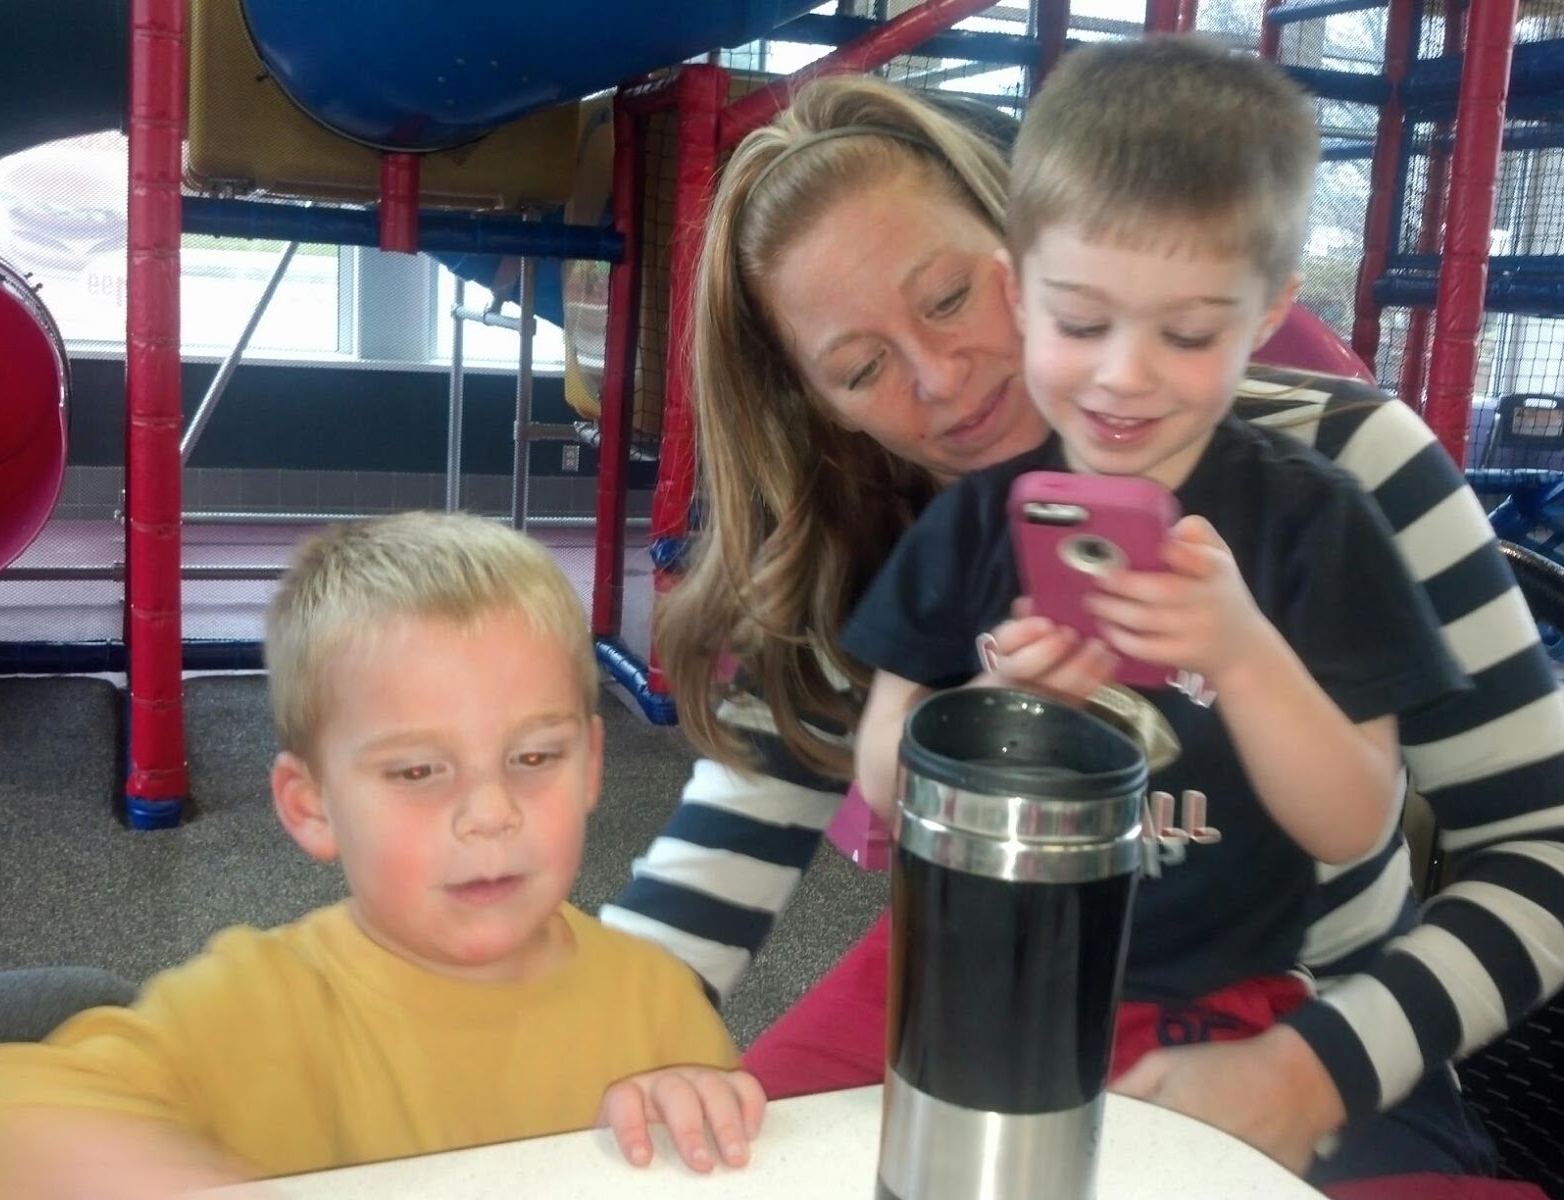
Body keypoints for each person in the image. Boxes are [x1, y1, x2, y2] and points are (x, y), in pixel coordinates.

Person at [597, 58, 1564, 1192]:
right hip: (981, 984)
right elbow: (718, 861)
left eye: (949, 299)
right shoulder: (883, 531)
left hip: (1303, 1010)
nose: (942, 379)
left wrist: (1315, 1071)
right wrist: (595, 1052)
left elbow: (1542, 849)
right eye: (859, 368)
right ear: (818, 403)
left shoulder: (1342, 472)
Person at [845, 28, 1465, 1086]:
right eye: (1081, 322)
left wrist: (1243, 655)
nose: (1124, 376)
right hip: (972, 960)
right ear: (1017, 291)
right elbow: (880, 778)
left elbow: (1356, 822)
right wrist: (992, 711)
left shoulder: (1316, 524)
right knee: (752, 1132)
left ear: (1267, 314)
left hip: (1211, 1002)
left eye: (1186, 335)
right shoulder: (973, 524)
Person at [0, 512, 764, 1200]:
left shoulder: (658, 1001)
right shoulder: (260, 1006)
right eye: (417, 772)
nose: (491, 814)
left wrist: (698, 1105)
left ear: (590, 766)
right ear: (312, 806)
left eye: (534, 758)